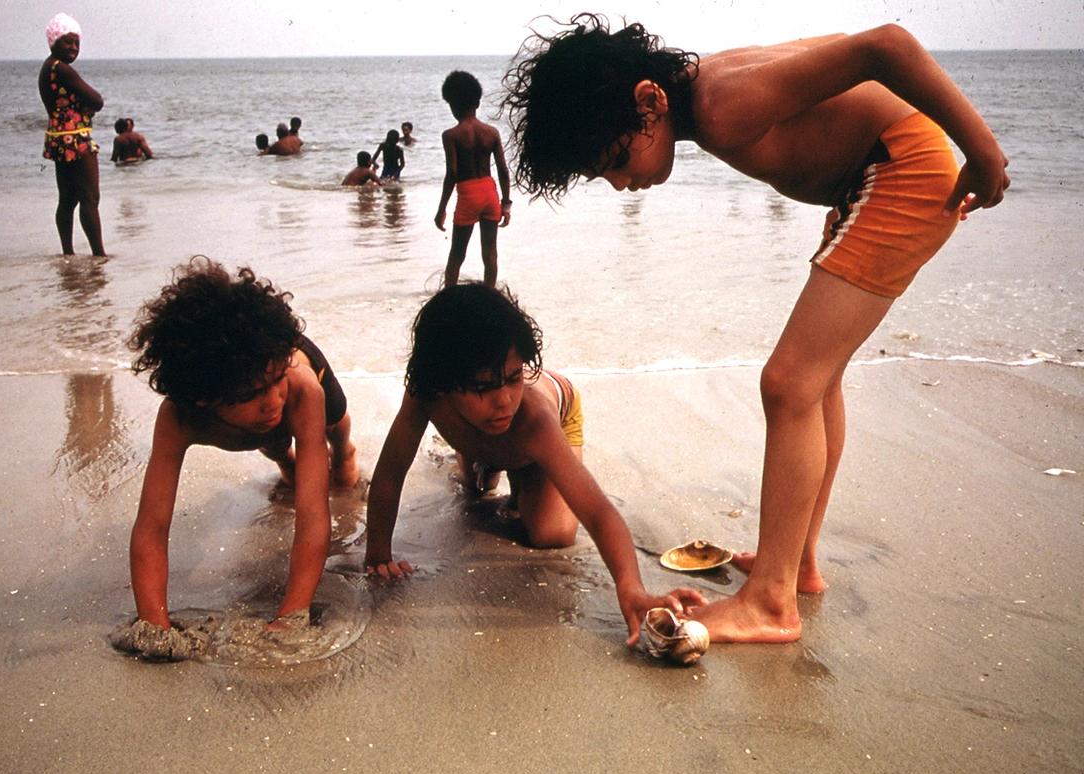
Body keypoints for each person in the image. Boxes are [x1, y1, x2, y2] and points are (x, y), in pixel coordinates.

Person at [502, 15, 1010, 643]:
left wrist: (983, 152)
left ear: (648, 102)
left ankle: (770, 601)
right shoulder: (703, 91)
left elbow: (889, 45)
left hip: (898, 172)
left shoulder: (721, 100)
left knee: (789, 383)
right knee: (816, 383)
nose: (618, 184)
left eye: (613, 160)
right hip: (872, 178)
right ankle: (795, 566)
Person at [364, 283, 705, 646]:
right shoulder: (425, 395)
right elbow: (390, 473)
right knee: (474, 488)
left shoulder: (533, 417)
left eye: (513, 378)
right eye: (483, 388)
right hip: (484, 437)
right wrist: (378, 554)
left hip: (554, 416)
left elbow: (597, 511)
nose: (503, 401)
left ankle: (517, 468)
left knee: (551, 535)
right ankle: (480, 459)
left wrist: (632, 587)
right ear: (443, 385)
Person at [125, 257, 360, 646]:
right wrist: (154, 623)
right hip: (253, 390)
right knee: (271, 440)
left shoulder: (296, 388)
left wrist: (292, 614)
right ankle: (285, 458)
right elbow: (151, 527)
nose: (273, 401)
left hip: (305, 371)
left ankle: (346, 451)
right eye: (252, 395)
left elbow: (313, 514)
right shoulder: (178, 418)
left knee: (335, 422)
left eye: (274, 383)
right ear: (202, 398)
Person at [435, 71, 512, 288]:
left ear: (452, 105)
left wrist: (442, 209)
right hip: (490, 192)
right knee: (490, 255)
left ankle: (448, 298)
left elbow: (452, 174)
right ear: (477, 102)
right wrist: (506, 203)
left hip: (468, 194)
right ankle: (490, 297)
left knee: (456, 256)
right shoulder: (491, 132)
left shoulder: (451, 135)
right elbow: (504, 171)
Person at [38, 12, 106, 256]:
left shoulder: (47, 68)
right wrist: (89, 105)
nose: (74, 47)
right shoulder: (62, 69)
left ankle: (67, 253)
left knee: (67, 199)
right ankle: (99, 255)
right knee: (90, 197)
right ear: (53, 41)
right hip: (76, 138)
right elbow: (96, 100)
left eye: (77, 42)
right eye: (68, 41)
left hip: (58, 138)